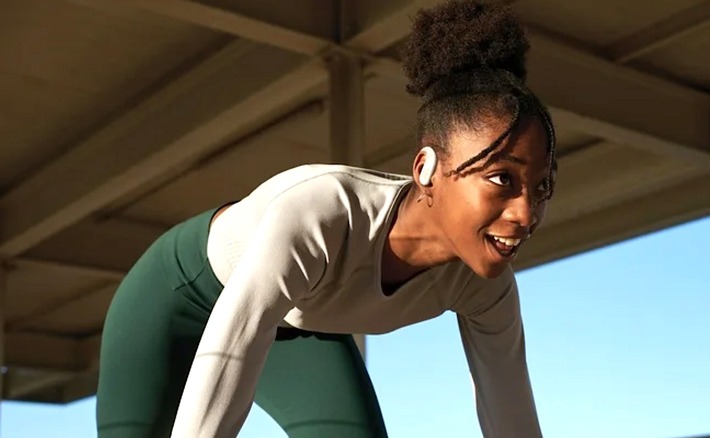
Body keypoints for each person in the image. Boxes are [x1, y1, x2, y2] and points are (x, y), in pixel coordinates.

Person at [95, 0, 557, 436]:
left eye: (541, 187)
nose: (525, 213)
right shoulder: (324, 211)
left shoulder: (484, 286)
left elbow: (511, 415)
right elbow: (236, 338)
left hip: (292, 326)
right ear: (426, 169)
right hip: (175, 296)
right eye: (501, 179)